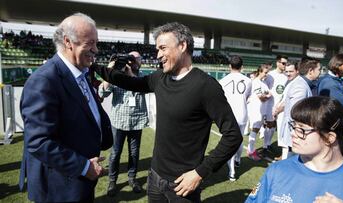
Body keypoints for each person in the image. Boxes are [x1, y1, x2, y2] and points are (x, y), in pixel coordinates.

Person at [93, 22, 242, 202]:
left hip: (182, 185)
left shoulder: (206, 86)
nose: (158, 55)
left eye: (163, 48)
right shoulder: (159, 78)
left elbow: (233, 135)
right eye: (157, 49)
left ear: (183, 46)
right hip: (155, 178)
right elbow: (129, 82)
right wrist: (95, 67)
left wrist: (200, 173)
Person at [19, 13, 113, 202]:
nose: (96, 50)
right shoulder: (44, 81)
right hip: (60, 187)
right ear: (68, 42)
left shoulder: (82, 72)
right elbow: (39, 141)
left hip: (79, 181)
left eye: (96, 43)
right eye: (90, 43)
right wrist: (84, 167)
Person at [246, 96, 343, 203]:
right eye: (293, 126)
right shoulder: (277, 170)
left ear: (330, 138)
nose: (292, 133)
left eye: (302, 130)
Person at [98, 51, 149, 196]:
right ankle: (112, 181)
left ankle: (132, 179)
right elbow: (102, 93)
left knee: (134, 153)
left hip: (136, 121)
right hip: (119, 121)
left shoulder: (143, 76)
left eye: (136, 59)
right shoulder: (117, 75)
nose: (132, 62)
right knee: (115, 153)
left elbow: (143, 89)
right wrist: (110, 70)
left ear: (140, 62)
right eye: (130, 59)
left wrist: (130, 74)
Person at [276, 57, 321, 160]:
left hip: (297, 134)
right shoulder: (300, 86)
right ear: (310, 71)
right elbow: (295, 113)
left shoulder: (301, 83)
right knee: (292, 165)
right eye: (319, 70)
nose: (320, 72)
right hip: (296, 135)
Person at [219, 55, 252, 181]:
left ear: (229, 66)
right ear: (242, 67)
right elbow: (248, 97)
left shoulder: (223, 81)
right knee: (239, 140)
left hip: (229, 115)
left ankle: (232, 171)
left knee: (230, 142)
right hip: (242, 114)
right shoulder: (248, 81)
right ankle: (237, 160)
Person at [260, 55, 288, 156]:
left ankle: (271, 145)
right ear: (278, 63)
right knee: (270, 125)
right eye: (283, 63)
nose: (285, 65)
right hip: (270, 104)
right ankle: (265, 146)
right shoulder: (270, 75)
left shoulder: (286, 76)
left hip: (281, 106)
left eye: (286, 63)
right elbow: (263, 87)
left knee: (277, 127)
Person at [247, 64, 272, 161]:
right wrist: (267, 96)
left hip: (262, 110)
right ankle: (250, 151)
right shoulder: (256, 82)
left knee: (256, 130)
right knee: (254, 130)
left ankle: (251, 149)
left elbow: (266, 93)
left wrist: (266, 95)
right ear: (260, 71)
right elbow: (261, 97)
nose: (266, 75)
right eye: (265, 73)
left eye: (267, 73)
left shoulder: (263, 83)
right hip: (256, 110)